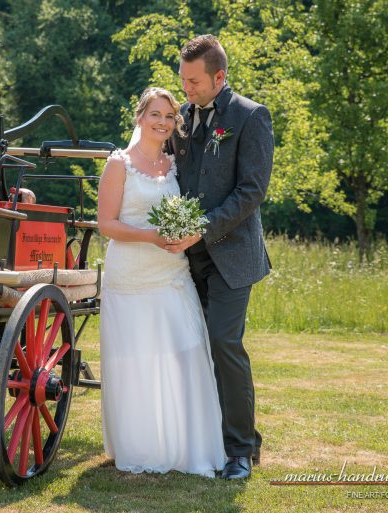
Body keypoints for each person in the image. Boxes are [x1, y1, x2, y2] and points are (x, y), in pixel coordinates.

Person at [97, 87, 226, 476]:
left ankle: (189, 444)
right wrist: (152, 236)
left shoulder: (174, 166)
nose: (163, 122)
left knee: (185, 352)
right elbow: (106, 224)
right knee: (135, 360)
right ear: (140, 117)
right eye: (156, 114)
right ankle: (143, 444)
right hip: (130, 277)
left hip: (172, 274)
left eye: (170, 117)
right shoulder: (119, 164)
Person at [165, 34, 274, 479]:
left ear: (219, 77)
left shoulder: (251, 117)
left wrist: (201, 229)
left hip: (232, 255)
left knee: (224, 343)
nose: (185, 90)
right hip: (187, 259)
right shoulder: (182, 119)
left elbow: (252, 191)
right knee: (194, 346)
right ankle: (217, 437)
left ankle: (241, 451)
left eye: (192, 82)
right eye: (183, 81)